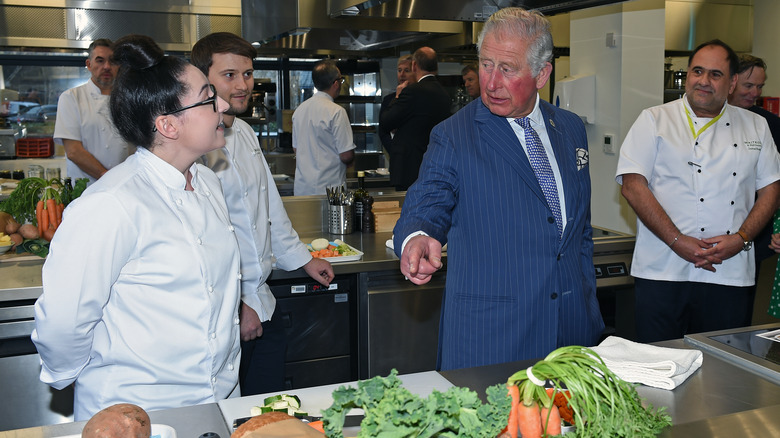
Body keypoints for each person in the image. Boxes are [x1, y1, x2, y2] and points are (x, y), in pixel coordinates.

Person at [32, 34, 240, 420]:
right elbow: (63, 322)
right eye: (210, 97)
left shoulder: (208, 182)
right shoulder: (112, 203)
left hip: (218, 397)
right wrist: (93, 373)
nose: (224, 105)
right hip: (134, 410)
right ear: (167, 125)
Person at [393, 8, 604, 371]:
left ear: (542, 74)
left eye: (507, 69)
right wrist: (417, 235)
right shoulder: (455, 134)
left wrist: (588, 310)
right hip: (493, 339)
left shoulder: (570, 129)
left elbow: (577, 231)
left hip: (572, 333)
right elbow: (429, 199)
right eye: (486, 65)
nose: (491, 83)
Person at [190, 32, 334, 395]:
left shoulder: (246, 133)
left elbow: (269, 206)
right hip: (225, 313)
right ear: (200, 78)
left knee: (268, 413)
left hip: (262, 300)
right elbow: (197, 242)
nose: (242, 85)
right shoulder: (192, 146)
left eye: (248, 74)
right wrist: (237, 308)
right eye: (229, 75)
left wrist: (302, 258)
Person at [616, 40, 780, 343]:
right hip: (662, 271)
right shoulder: (653, 119)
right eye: (697, 71)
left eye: (715, 74)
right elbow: (633, 187)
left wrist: (741, 240)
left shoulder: (756, 126)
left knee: (722, 371)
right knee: (658, 364)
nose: (703, 81)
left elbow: (771, 190)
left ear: (731, 83)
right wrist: (678, 242)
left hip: (729, 271)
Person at [54, 39, 134, 184]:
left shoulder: (128, 100)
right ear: (89, 65)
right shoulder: (71, 98)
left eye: (112, 61)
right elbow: (73, 151)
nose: (107, 67)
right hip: (86, 190)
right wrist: (108, 178)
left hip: (124, 187)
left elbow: (136, 148)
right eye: (100, 61)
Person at [728, 54, 780, 263]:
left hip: (757, 234)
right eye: (748, 85)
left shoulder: (769, 124)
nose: (755, 93)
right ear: (730, 81)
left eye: (760, 86)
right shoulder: (706, 119)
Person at [379, 46, 451, 191]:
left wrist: (398, 96)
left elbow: (386, 122)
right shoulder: (444, 94)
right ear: (436, 67)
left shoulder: (412, 92)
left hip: (409, 169)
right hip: (434, 166)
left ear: (414, 65)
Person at [292, 59, 355, 196]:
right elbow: (346, 155)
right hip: (330, 191)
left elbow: (296, 149)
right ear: (336, 83)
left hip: (302, 190)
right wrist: (350, 160)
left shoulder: (299, 110)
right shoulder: (336, 112)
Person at [378, 54, 412, 155]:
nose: (402, 74)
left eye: (406, 70)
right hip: (396, 154)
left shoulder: (419, 97)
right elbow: (383, 131)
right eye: (399, 70)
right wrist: (394, 151)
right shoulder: (388, 100)